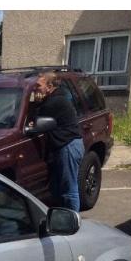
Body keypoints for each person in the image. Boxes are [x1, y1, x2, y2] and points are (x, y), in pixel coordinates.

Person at [31, 71, 84, 212]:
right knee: (57, 187)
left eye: (38, 86)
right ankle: (60, 217)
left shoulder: (55, 101)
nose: (35, 89)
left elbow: (35, 120)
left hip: (68, 146)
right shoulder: (56, 97)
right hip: (66, 145)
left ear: (49, 86)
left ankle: (73, 222)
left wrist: (36, 102)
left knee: (69, 189)